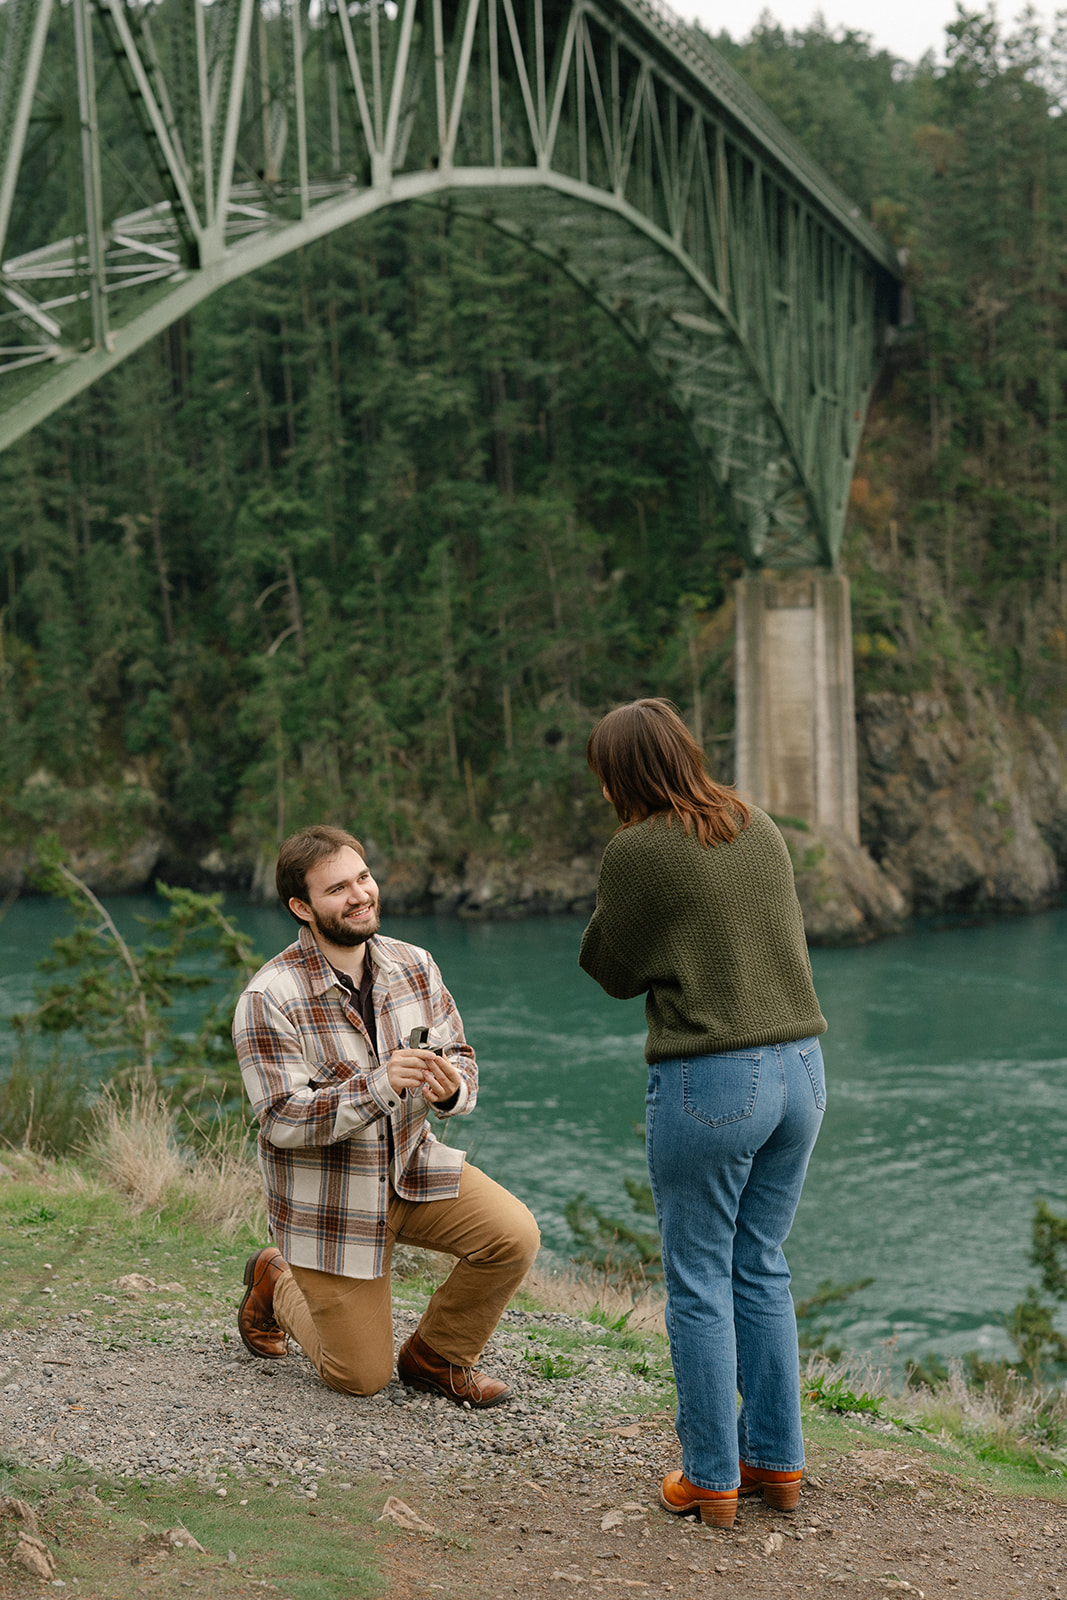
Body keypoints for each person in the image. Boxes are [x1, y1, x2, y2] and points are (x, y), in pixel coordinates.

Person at [578, 700, 827, 1528]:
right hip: (801, 1068)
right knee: (760, 1263)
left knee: (696, 1280)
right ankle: (776, 1465)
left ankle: (711, 1477)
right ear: (686, 750)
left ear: (620, 775)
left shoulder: (637, 850)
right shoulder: (757, 825)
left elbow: (609, 969)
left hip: (715, 1079)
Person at [232, 824, 540, 1406]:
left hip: (411, 1169)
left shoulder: (414, 964)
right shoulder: (268, 996)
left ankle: (436, 1357)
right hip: (330, 1203)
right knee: (360, 1379)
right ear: (302, 907)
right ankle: (276, 1279)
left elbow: (461, 1058)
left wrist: (451, 1093)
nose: (359, 895)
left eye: (363, 878)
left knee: (514, 1236)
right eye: (337, 889)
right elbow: (280, 1118)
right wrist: (376, 1088)